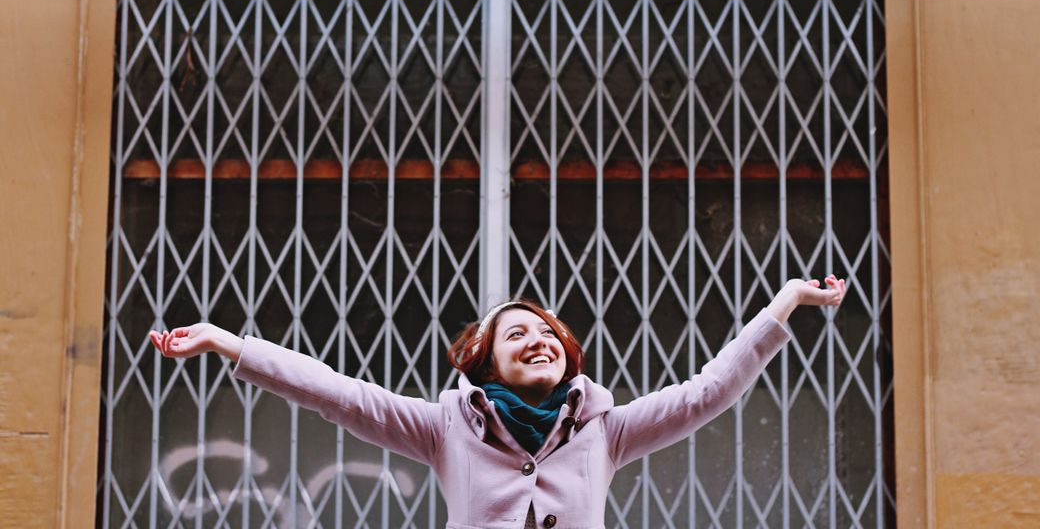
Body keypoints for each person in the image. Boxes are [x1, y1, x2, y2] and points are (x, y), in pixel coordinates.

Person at [150, 275, 846, 529]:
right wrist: (225, 342)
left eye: (549, 333)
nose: (538, 338)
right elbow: (339, 393)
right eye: (517, 333)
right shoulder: (444, 427)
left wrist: (786, 302)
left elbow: (709, 392)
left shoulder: (607, 430)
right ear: (485, 362)